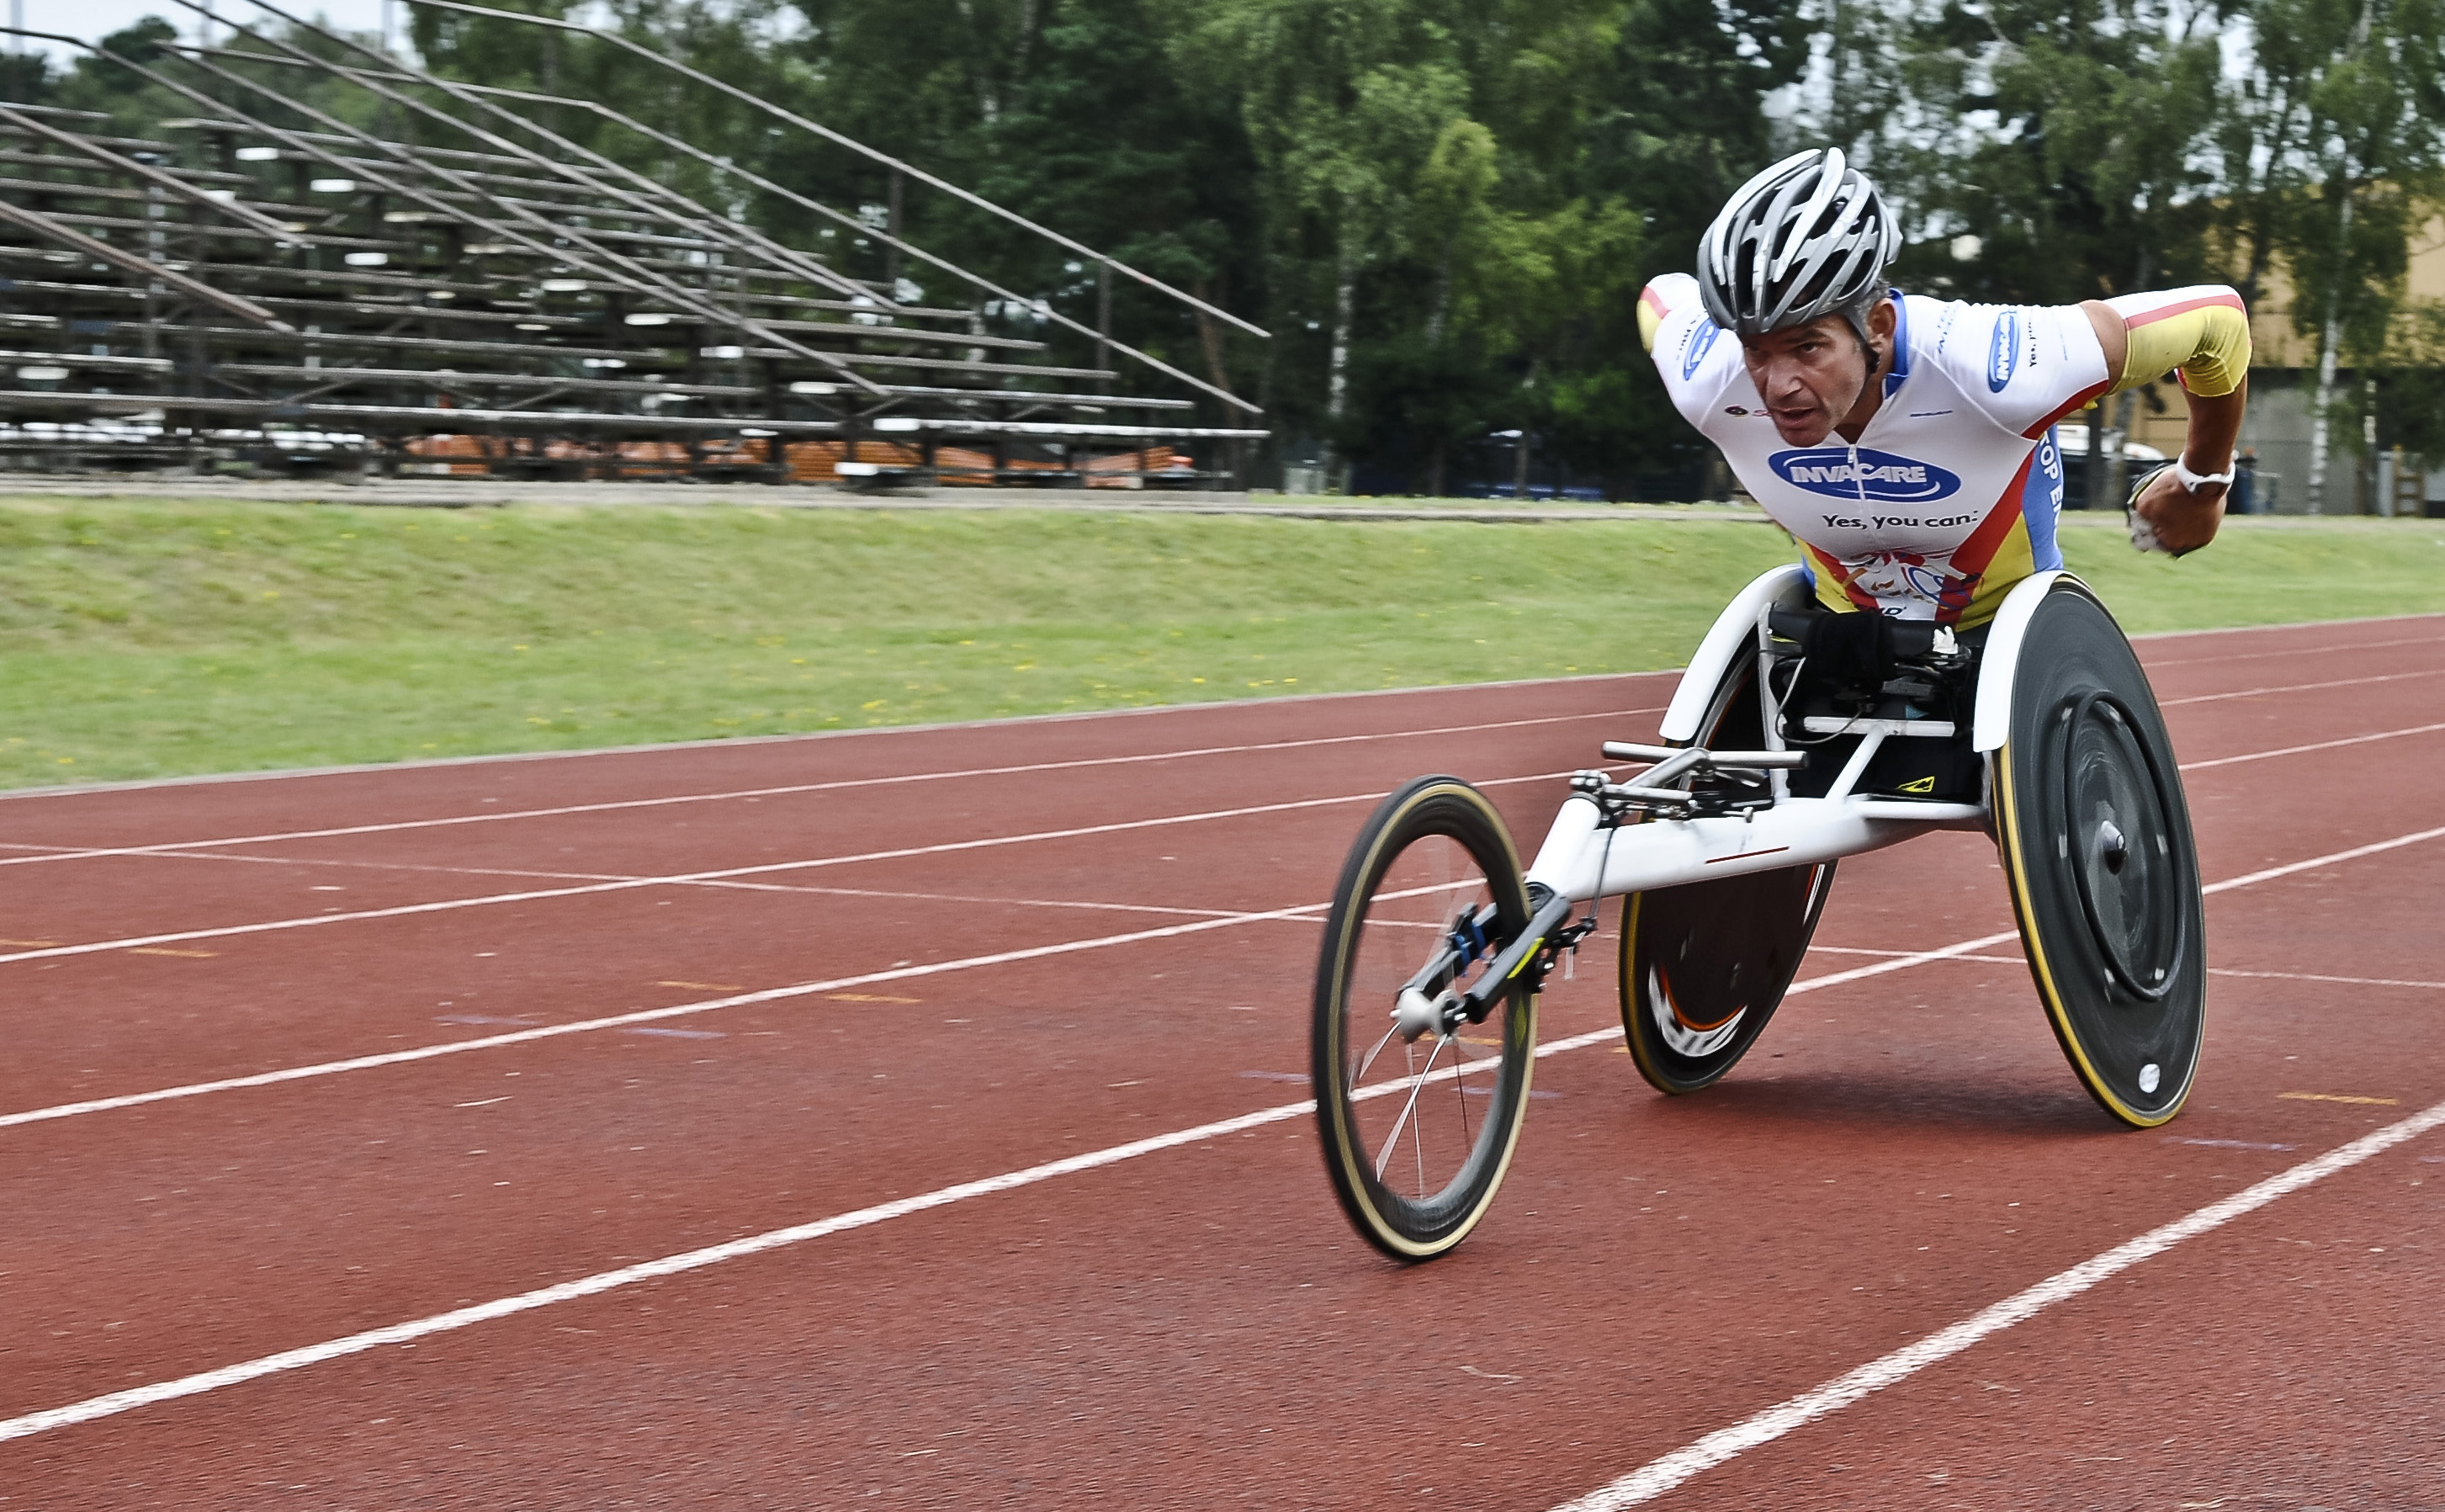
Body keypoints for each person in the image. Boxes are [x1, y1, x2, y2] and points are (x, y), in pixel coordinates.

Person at [1638, 147, 2251, 626]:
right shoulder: (1706, 373)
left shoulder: (1999, 365)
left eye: (1807, 347)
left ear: (1876, 326)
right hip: (1836, 637)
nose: (1779, 386)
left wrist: (2202, 483)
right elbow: (1658, 298)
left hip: (2012, 639)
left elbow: (2219, 321)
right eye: (1757, 352)